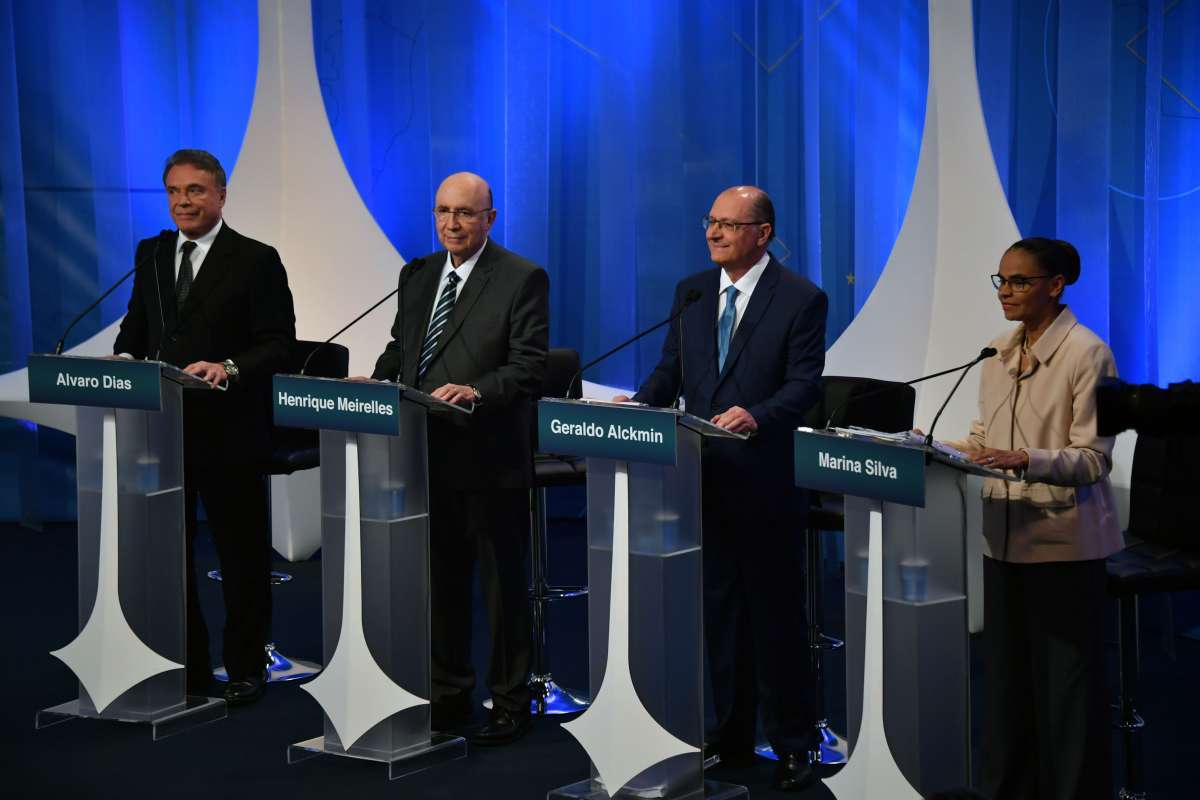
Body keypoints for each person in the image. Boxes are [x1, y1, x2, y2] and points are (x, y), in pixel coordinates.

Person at [615, 186, 827, 792]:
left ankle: (793, 743)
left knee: (775, 618)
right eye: (710, 221)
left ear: (762, 233)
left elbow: (806, 385)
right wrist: (637, 405)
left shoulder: (801, 298)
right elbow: (669, 370)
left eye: (729, 224)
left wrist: (755, 414)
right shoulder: (692, 291)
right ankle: (730, 736)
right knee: (720, 615)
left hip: (764, 479)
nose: (714, 233)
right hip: (701, 478)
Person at [368, 172, 549, 745]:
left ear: (489, 219)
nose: (451, 223)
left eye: (465, 214)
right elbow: (403, 349)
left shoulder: (521, 277)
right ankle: (448, 694)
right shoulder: (417, 274)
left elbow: (529, 366)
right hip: (424, 454)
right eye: (443, 211)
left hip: (488, 456)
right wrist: (374, 383)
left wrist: (476, 391)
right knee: (440, 583)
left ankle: (510, 701)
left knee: (501, 588)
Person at [113, 149, 297, 705]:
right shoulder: (151, 254)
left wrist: (230, 368)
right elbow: (135, 328)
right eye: (173, 191)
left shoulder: (255, 259)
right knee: (170, 551)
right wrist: (125, 358)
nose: (182, 202)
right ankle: (187, 665)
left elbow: (279, 342)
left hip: (228, 429)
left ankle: (245, 666)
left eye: (194, 191)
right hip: (162, 427)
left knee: (240, 554)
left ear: (220, 195)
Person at [938, 237, 1119, 799]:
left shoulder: (1089, 353)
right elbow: (984, 438)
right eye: (1000, 281)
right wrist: (926, 446)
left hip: (1063, 546)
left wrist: (1025, 460)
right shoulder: (996, 349)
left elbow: (1093, 459)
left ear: (1055, 285)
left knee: (1067, 691)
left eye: (1018, 282)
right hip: (1003, 540)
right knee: (1006, 685)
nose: (1005, 293)